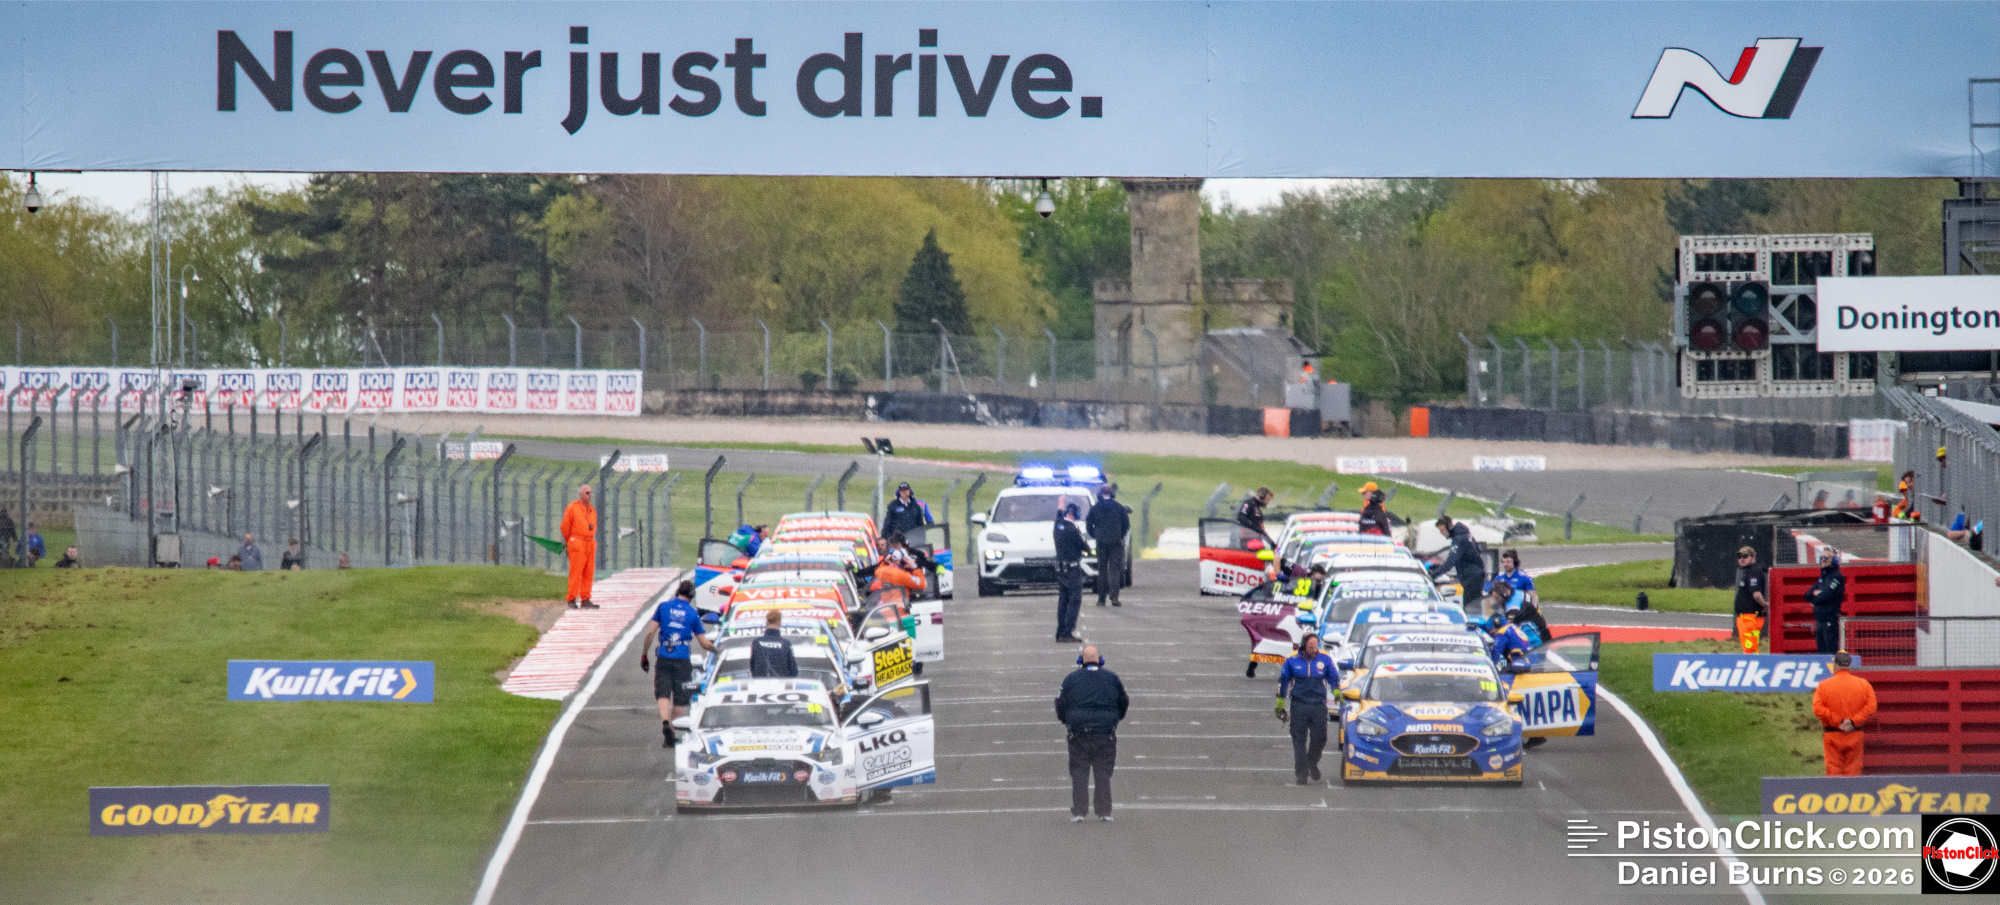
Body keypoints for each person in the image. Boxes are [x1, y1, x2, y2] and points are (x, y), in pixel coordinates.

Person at [1055, 643, 1128, 822]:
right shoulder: (1112, 679)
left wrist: (1066, 720)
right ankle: (1104, 812)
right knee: (1103, 771)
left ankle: (1079, 811)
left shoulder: (1070, 679)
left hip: (1078, 732)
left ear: (1080, 661)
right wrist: (1114, 719)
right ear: (1100, 660)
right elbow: (1124, 701)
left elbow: (1060, 702)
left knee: (1079, 771)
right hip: (1105, 732)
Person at [640, 580, 717, 748]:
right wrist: (718, 651)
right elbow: (703, 643)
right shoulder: (692, 614)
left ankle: (665, 722)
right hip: (682, 659)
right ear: (692, 596)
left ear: (677, 591)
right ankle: (672, 733)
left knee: (663, 693)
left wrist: (644, 654)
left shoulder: (663, 607)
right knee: (680, 699)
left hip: (664, 656)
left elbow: (650, 633)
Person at [1276, 633, 1337, 785]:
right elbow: (1283, 681)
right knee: (1299, 739)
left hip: (1318, 705)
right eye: (1310, 647)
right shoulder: (1291, 660)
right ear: (1303, 646)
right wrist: (1280, 704)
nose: (1314, 650)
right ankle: (1301, 773)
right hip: (1299, 705)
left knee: (1320, 737)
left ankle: (1311, 762)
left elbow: (1333, 677)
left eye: (1315, 647)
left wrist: (1337, 691)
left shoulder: (1325, 659)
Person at [1812, 651, 1877, 776]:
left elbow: (1818, 708)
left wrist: (1838, 721)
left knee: (1834, 774)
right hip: (1855, 734)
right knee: (1853, 774)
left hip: (1832, 734)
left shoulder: (1823, 686)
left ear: (1835, 665)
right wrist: (1853, 722)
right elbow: (1871, 708)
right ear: (1850, 665)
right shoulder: (1864, 685)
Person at [1085, 484, 1131, 607]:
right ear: (1112, 494)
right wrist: (1120, 535)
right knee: (1115, 570)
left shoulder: (1095, 508)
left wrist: (1095, 535)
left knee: (1102, 571)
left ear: (1100, 494)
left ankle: (1101, 599)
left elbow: (1088, 524)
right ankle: (1114, 597)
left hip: (1101, 543)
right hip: (1116, 542)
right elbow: (1126, 524)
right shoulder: (1119, 507)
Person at [1489, 549, 1548, 640]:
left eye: (1508, 562)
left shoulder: (1524, 578)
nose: (1505, 564)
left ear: (1515, 562)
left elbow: (1533, 596)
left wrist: (1531, 610)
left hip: (1521, 612)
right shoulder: (1499, 578)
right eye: (1503, 562)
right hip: (1506, 611)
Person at [1053, 503, 1088, 643]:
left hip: (1060, 569)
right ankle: (1067, 631)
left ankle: (1060, 630)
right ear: (1076, 514)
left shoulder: (1058, 525)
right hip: (1072, 569)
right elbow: (1085, 547)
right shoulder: (1073, 530)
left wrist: (1060, 506)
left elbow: (1058, 517)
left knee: (1063, 600)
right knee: (1074, 600)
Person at [560, 484, 598, 609]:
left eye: (590, 493)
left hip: (589, 542)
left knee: (589, 571)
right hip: (577, 541)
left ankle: (585, 599)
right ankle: (571, 599)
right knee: (576, 571)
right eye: (587, 493)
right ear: (581, 494)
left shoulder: (592, 510)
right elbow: (565, 527)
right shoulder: (572, 508)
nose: (590, 495)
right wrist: (570, 541)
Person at [1432, 517, 1485, 602]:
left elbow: (1450, 562)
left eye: (1442, 530)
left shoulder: (1459, 539)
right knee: (1475, 604)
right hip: (1476, 575)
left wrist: (1432, 576)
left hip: (1471, 578)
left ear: (1449, 527)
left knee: (1470, 606)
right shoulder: (1466, 534)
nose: (1442, 533)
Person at [1805, 553, 1847, 655]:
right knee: (1821, 650)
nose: (1823, 559)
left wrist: (1817, 596)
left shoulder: (1837, 577)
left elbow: (1826, 595)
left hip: (1830, 618)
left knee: (1830, 650)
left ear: (1834, 560)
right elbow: (1808, 595)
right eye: (1821, 557)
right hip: (1819, 618)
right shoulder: (1822, 578)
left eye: (1826, 557)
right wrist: (1817, 594)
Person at [1733, 546, 1769, 654]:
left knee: (1748, 648)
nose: (1742, 559)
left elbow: (1756, 594)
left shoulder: (1754, 571)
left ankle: (1752, 662)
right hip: (1749, 616)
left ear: (1753, 557)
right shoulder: (1751, 570)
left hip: (1749, 617)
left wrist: (1764, 604)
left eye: (1745, 556)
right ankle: (1755, 660)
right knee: (1752, 647)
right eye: (1740, 557)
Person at [749, 609, 799, 678]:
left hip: (761, 684)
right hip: (782, 684)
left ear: (766, 623)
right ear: (780, 623)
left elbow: (753, 668)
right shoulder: (786, 644)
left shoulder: (756, 643)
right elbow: (793, 671)